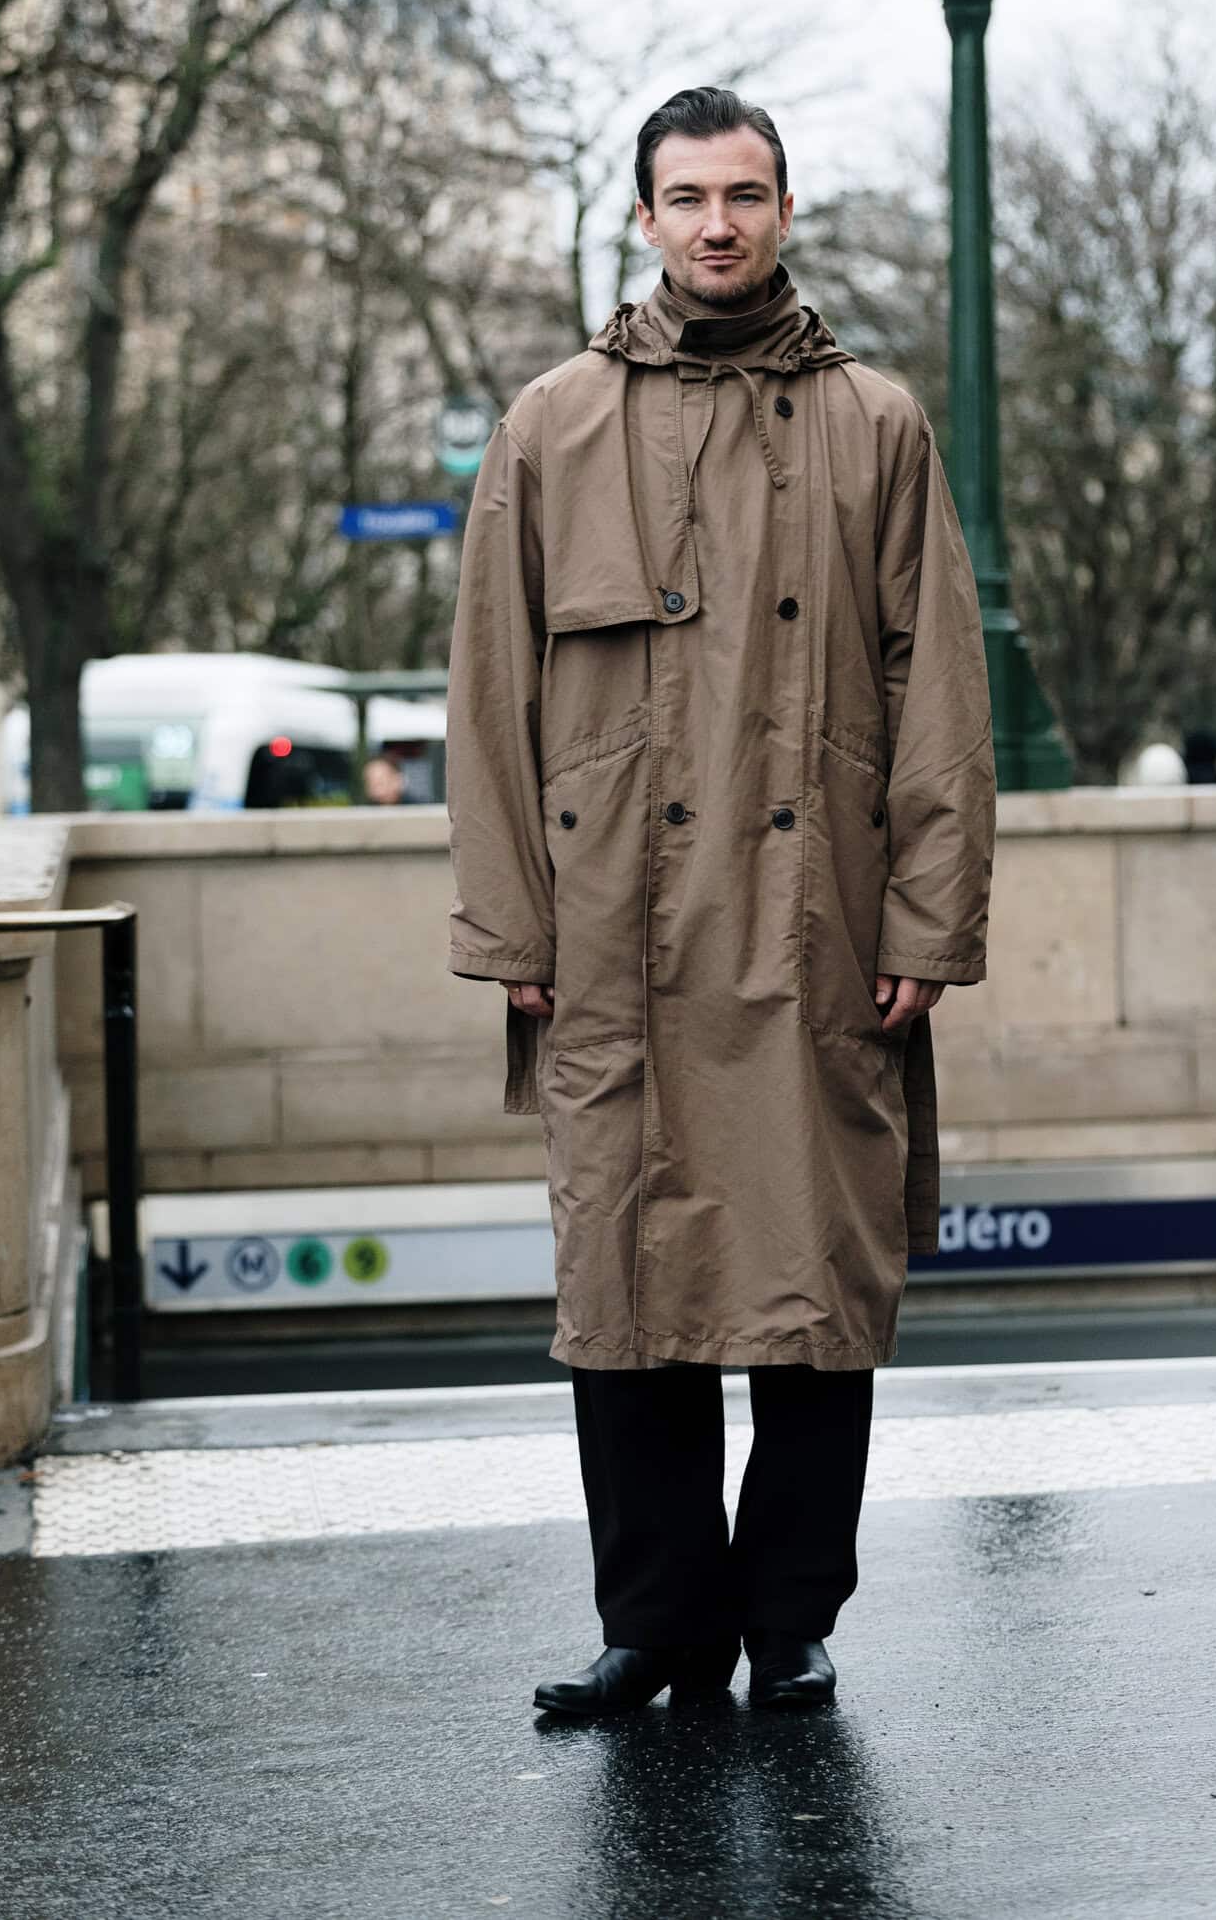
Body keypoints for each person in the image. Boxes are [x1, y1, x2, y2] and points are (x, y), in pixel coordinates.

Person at [445, 85, 995, 1718]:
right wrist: (513, 927)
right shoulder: (553, 422)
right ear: (644, 218)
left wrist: (927, 922)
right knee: (627, 1286)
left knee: (820, 1284)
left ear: (784, 209)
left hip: (817, 920)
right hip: (612, 928)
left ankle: (792, 1615)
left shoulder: (875, 422)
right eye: (687, 197)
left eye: (744, 194)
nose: (717, 223)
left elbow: (940, 693)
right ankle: (657, 1623)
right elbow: (488, 696)